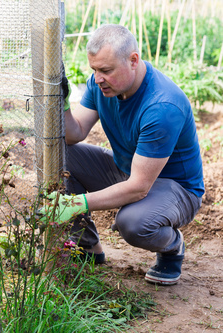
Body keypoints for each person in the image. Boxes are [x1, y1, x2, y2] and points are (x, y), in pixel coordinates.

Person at [55, 24, 204, 286]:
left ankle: (172, 246)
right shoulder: (100, 86)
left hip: (176, 189)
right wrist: (64, 104)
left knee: (133, 223)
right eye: (94, 70)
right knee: (61, 154)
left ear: (133, 60)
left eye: (106, 70)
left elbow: (137, 188)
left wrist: (75, 204)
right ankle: (87, 247)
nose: (98, 78)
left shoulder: (162, 105)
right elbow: (74, 134)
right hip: (129, 170)